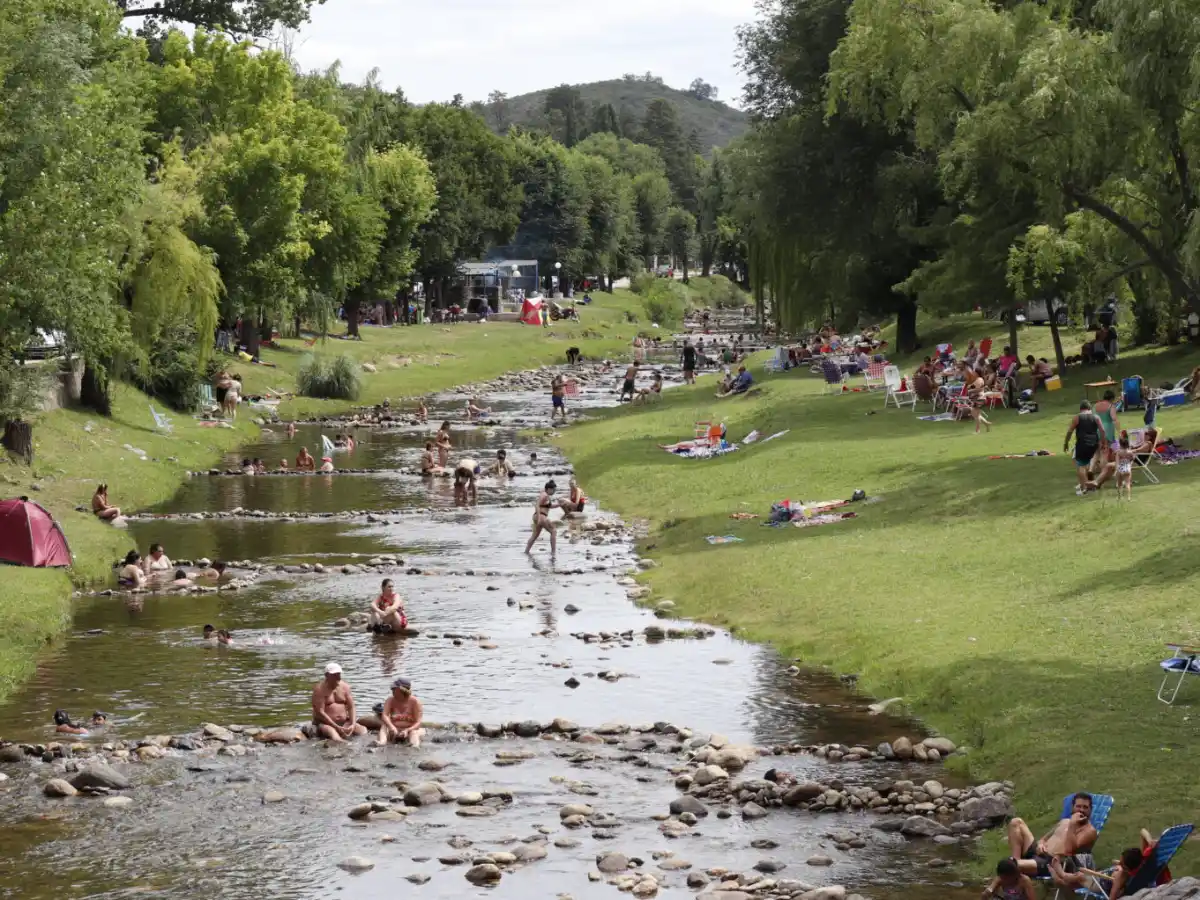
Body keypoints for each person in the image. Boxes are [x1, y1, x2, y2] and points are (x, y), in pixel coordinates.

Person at [1049, 830, 1171, 899]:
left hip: (1100, 884)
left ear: (1127, 869)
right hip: (1107, 876)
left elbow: (1112, 897)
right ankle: (1061, 881)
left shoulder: (1121, 875)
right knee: (1073, 883)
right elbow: (1143, 832)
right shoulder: (1145, 863)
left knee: (1079, 875)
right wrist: (1150, 842)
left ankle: (1062, 874)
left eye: (1122, 863)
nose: (1120, 862)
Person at [1006, 792, 1098, 878]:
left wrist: (1073, 826)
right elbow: (1043, 839)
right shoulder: (1064, 822)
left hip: (1051, 862)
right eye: (1078, 806)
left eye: (1085, 807)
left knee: (1008, 865)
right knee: (1016, 822)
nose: (1081, 810)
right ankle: (1016, 861)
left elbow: (1070, 851)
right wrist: (1041, 844)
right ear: (1073, 808)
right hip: (1039, 852)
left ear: (1090, 810)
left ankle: (1015, 866)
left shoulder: (1089, 831)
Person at [311, 663, 367, 742]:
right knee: (334, 735)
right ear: (327, 675)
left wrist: (352, 723)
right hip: (325, 724)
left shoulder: (345, 687)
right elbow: (320, 712)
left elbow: (351, 707)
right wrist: (336, 726)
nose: (338, 677)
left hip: (344, 722)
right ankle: (346, 745)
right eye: (335, 675)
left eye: (339, 674)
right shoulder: (319, 690)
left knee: (363, 730)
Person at [1064, 402, 1104, 494]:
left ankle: (1086, 487)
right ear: (1090, 409)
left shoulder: (1077, 417)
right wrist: (1103, 442)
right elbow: (1102, 430)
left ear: (1081, 409)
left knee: (1081, 466)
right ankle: (1091, 485)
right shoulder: (1096, 417)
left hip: (1082, 443)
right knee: (1091, 465)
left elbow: (1070, 431)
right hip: (1094, 443)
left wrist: (1066, 443)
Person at [377, 677, 424, 747]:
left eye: (394, 689)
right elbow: (385, 715)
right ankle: (381, 742)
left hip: (410, 730)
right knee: (384, 726)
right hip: (394, 730)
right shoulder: (390, 700)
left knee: (414, 733)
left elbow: (418, 722)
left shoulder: (415, 702)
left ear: (402, 690)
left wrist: (407, 730)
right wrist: (391, 727)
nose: (391, 690)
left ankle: (414, 746)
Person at [524, 480, 559, 556]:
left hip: (537, 516)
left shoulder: (545, 495)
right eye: (554, 490)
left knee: (535, 535)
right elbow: (537, 505)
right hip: (541, 516)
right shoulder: (544, 495)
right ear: (549, 489)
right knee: (553, 531)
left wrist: (559, 505)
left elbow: (549, 506)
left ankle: (526, 552)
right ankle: (553, 553)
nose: (554, 491)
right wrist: (540, 517)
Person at [1114, 434, 1135, 500]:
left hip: (1120, 468)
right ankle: (1128, 497)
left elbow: (1117, 462)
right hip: (1127, 468)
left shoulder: (1118, 452)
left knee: (1119, 484)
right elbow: (1132, 458)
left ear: (1120, 444)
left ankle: (1119, 497)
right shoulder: (1130, 452)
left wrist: (1116, 470)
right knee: (1127, 483)